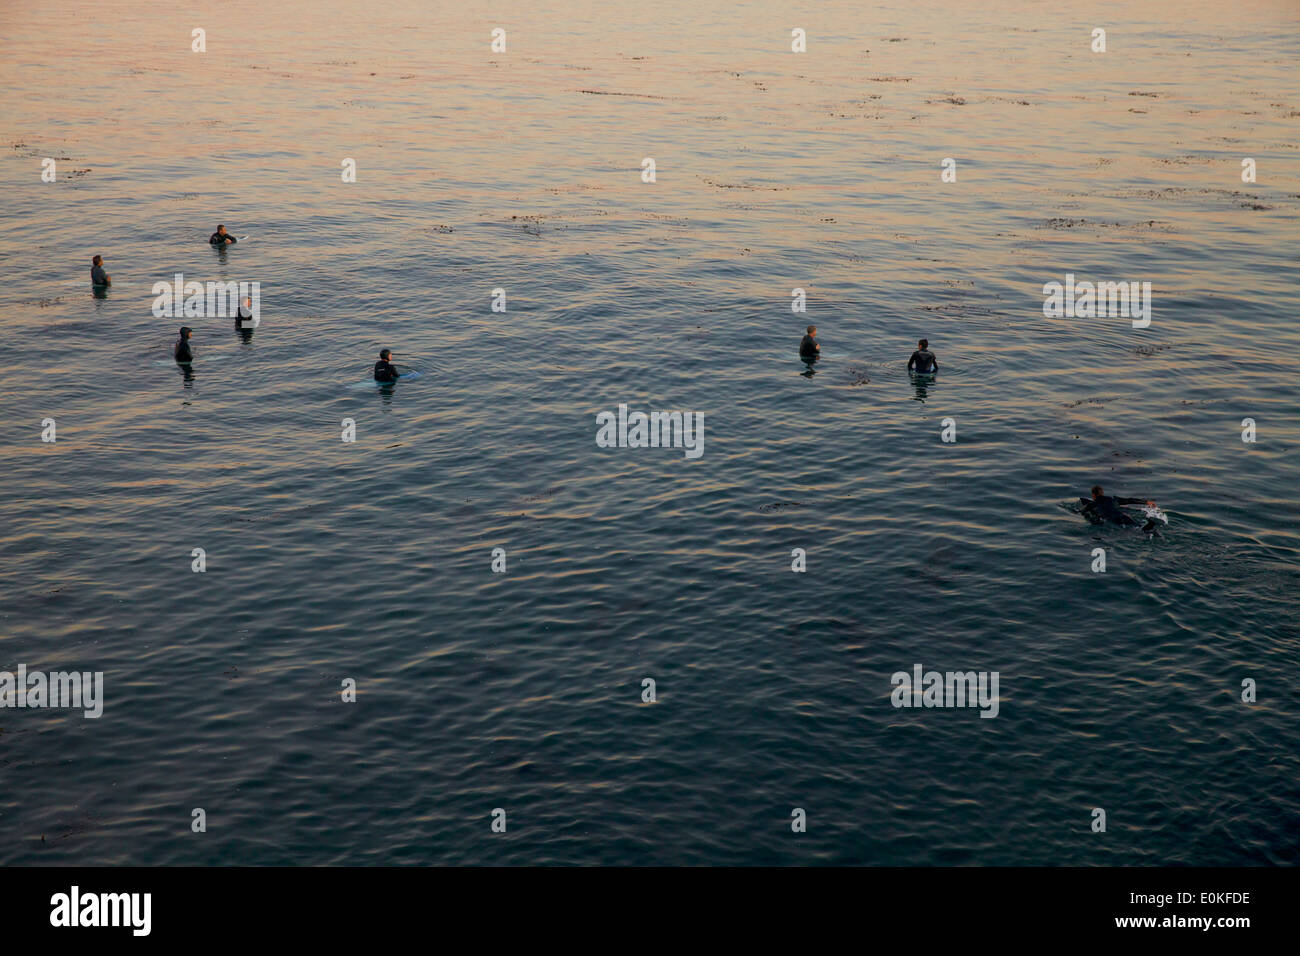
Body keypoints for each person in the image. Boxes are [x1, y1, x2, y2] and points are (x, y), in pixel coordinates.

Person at [1079, 485, 1160, 532]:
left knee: (1134, 531)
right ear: (1102, 493)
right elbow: (1129, 500)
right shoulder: (1113, 500)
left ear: (1093, 495)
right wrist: (1146, 502)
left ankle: (1148, 528)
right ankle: (1151, 526)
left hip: (1114, 520)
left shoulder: (1091, 505)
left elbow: (1081, 511)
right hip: (1124, 517)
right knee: (1138, 526)